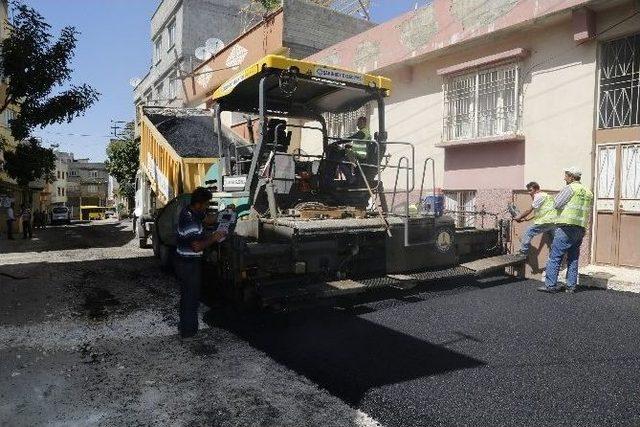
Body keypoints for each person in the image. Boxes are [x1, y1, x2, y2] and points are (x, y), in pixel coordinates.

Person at [175, 187, 227, 339]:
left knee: (187, 296)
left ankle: (184, 326)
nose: (207, 208)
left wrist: (225, 214)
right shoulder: (190, 220)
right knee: (190, 298)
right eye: (206, 205)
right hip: (188, 264)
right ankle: (188, 332)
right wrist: (214, 237)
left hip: (184, 261)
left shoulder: (191, 211)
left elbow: (208, 219)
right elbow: (197, 246)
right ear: (198, 204)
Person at [539, 167, 593, 294]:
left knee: (555, 256)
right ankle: (571, 286)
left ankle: (550, 285)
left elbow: (556, 203)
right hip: (580, 228)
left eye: (566, 176)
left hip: (566, 227)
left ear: (571, 177)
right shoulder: (587, 192)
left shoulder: (570, 188)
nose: (564, 178)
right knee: (573, 258)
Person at [323, 116, 371, 187]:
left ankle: (350, 179)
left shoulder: (363, 132)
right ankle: (348, 179)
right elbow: (361, 143)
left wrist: (337, 143)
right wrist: (350, 146)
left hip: (360, 155)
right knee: (344, 154)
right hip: (358, 153)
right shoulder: (366, 132)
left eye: (359, 123)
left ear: (363, 123)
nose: (357, 125)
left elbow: (351, 138)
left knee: (341, 161)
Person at [514, 182, 556, 254]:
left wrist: (519, 217)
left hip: (546, 221)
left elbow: (529, 210)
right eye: (528, 191)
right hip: (553, 221)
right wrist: (527, 218)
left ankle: (523, 251)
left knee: (528, 231)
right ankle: (556, 255)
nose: (529, 193)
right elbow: (542, 211)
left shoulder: (538, 196)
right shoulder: (546, 195)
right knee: (554, 240)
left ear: (536, 189)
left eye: (530, 190)